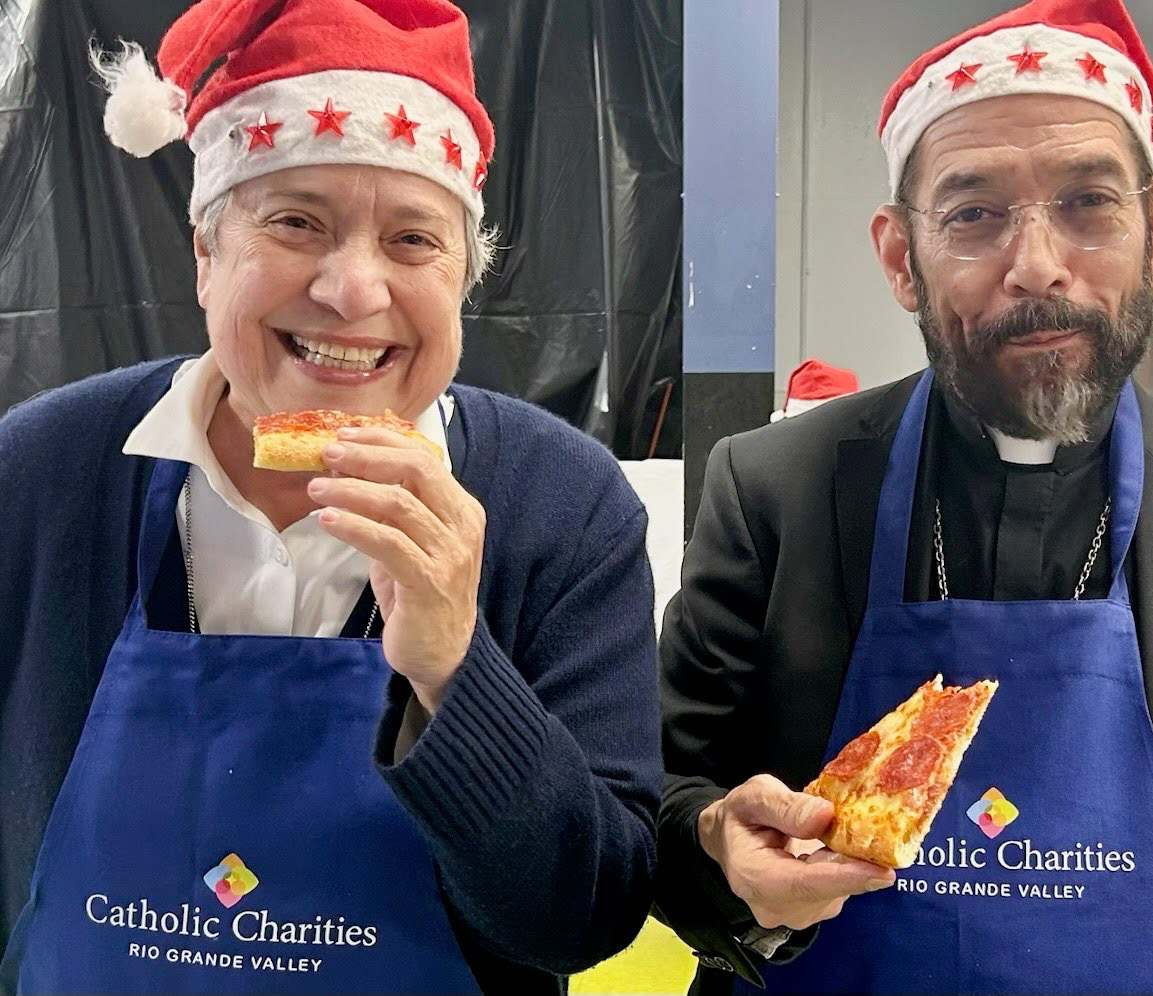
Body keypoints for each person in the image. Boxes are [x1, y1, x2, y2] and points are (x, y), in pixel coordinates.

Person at [0, 1, 660, 992]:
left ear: (461, 281)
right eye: (298, 222)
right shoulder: (41, 473)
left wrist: (453, 669)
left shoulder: (560, 505)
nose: (352, 291)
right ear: (204, 255)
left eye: (411, 240)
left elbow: (583, 918)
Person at [657, 0, 1153, 992]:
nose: (1033, 266)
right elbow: (660, 790)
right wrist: (724, 854)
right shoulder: (770, 489)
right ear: (901, 258)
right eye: (971, 214)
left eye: (1086, 203)